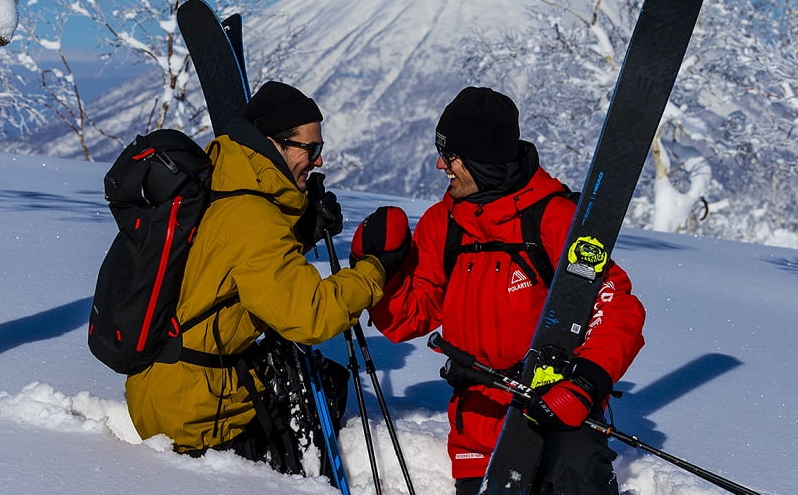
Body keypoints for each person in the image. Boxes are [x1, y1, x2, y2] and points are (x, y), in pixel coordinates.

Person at [355, 86, 647, 494]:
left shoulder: (554, 218)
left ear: (483, 159)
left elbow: (615, 305)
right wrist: (379, 272)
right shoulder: (444, 224)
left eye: (451, 155)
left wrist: (585, 383)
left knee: (578, 477)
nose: (441, 165)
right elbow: (409, 316)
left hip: (558, 412)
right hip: (479, 426)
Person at [125, 81, 409, 472]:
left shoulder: (221, 180)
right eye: (312, 149)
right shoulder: (253, 216)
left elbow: (240, 264)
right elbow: (310, 316)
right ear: (275, 145)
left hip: (161, 387)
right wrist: (376, 268)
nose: (319, 161)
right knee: (323, 387)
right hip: (198, 415)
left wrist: (304, 225)